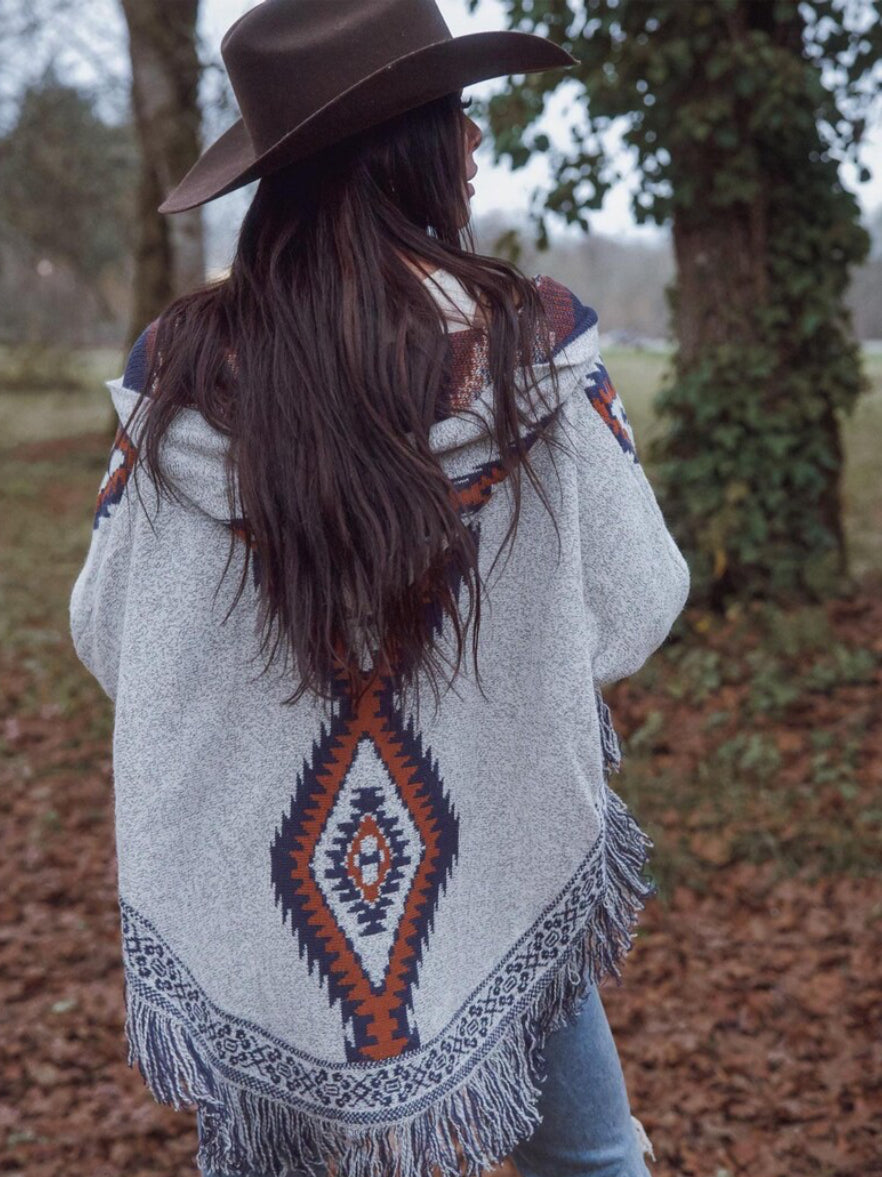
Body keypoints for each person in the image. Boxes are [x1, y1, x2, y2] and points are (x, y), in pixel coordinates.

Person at [69, 2, 690, 1175]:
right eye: (455, 115)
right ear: (402, 144)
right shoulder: (531, 348)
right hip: (498, 848)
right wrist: (496, 658)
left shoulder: (182, 370)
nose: (472, 144)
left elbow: (114, 634)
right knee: (591, 1161)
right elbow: (637, 601)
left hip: (268, 892)